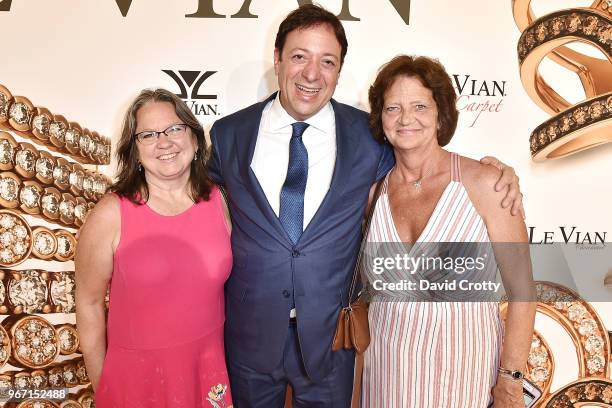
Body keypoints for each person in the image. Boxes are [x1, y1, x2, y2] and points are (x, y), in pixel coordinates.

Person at [208, 5, 524, 407]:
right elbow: (191, 201)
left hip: (333, 344)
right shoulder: (228, 134)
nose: (311, 74)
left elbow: (426, 158)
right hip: (248, 340)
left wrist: (496, 171)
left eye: (327, 61)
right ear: (277, 58)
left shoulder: (369, 137)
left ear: (339, 71)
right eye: (299, 56)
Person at [361, 55, 536, 408]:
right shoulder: (373, 194)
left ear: (441, 114)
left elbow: (523, 291)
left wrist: (510, 382)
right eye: (393, 107)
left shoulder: (487, 184)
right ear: (381, 118)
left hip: (465, 380)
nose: (406, 118)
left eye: (420, 106)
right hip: (385, 378)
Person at [76, 89, 233, 408]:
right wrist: (104, 386)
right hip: (135, 381)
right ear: (133, 149)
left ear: (194, 136)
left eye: (175, 128)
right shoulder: (111, 213)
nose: (165, 142)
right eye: (148, 134)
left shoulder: (220, 200)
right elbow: (89, 303)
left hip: (207, 371)